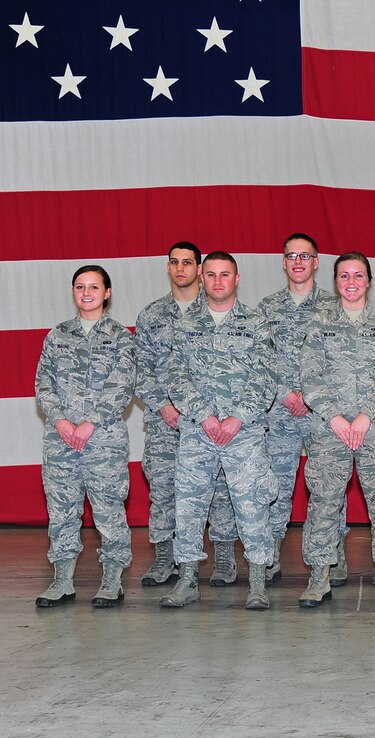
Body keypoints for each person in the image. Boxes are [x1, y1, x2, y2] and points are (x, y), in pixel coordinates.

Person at [161, 251, 279, 610]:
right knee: (189, 507)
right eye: (210, 274)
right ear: (202, 278)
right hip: (199, 432)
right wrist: (205, 417)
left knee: (252, 506)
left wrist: (237, 418)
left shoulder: (256, 322)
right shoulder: (186, 324)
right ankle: (187, 581)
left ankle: (257, 584)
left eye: (224, 274)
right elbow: (175, 376)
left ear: (236, 279)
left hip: (243, 433)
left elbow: (265, 377)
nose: (217, 281)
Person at [299, 253, 375, 607]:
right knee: (324, 504)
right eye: (344, 275)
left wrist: (365, 416)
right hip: (329, 431)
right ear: (335, 282)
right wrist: (335, 417)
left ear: (369, 281)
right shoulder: (320, 321)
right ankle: (319, 577)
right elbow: (310, 376)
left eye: (358, 275)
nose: (351, 282)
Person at [135, 242, 238, 588]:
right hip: (164, 421)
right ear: (168, 267)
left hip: (209, 421)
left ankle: (224, 556)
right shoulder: (151, 316)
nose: (181, 269)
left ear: (199, 269)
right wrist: (164, 405)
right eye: (175, 262)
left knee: (220, 488)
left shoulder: (216, 309)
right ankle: (165, 556)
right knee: (163, 488)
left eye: (188, 263)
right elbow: (141, 369)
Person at [34, 265, 134, 608]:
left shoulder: (120, 337)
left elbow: (122, 387)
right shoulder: (57, 335)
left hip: (103, 441)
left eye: (94, 287)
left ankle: (112, 580)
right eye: (80, 287)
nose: (86, 293)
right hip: (60, 440)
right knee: (61, 511)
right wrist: (60, 421)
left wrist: (89, 423)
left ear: (107, 293)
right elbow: (43, 384)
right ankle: (62, 580)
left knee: (108, 510)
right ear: (73, 292)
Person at [258, 233, 342, 587]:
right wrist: (284, 394)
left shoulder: (334, 306)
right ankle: (272, 554)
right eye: (291, 256)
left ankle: (333, 556)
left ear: (316, 262)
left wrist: (310, 396)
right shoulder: (266, 308)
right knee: (276, 484)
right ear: (283, 262)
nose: (298, 262)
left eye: (304, 256)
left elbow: (342, 360)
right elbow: (259, 360)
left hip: (323, 411)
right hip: (279, 411)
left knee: (328, 485)